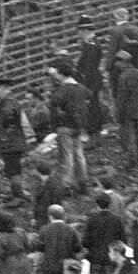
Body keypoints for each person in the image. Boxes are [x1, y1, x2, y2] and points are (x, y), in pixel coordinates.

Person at [47, 63, 91, 192]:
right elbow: (89, 95)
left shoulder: (64, 89)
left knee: (67, 156)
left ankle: (67, 184)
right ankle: (83, 182)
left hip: (65, 125)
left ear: (61, 74)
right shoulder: (81, 88)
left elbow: (54, 102)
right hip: (79, 125)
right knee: (79, 154)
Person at [0, 78, 32, 200]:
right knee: (13, 169)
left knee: (13, 170)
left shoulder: (7, 105)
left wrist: (2, 138)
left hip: (10, 143)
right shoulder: (11, 102)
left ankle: (17, 194)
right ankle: (16, 192)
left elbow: (7, 121)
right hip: (14, 142)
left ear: (4, 89)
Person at [113, 50, 138, 166]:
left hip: (128, 109)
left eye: (117, 62)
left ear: (123, 62)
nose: (116, 64)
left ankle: (131, 158)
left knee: (128, 134)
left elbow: (122, 97)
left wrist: (118, 112)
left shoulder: (123, 76)